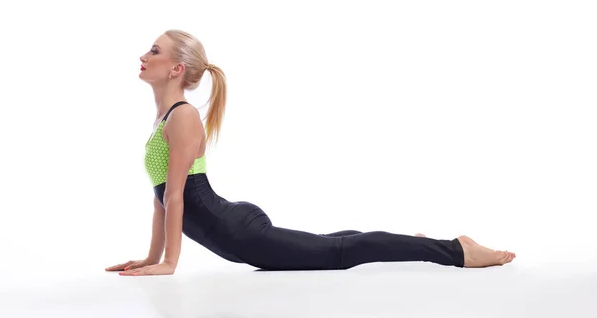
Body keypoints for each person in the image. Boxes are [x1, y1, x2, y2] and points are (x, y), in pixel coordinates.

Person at [105, 29, 516, 276]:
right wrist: (150, 257)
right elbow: (160, 200)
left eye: (154, 50)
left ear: (177, 69)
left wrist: (169, 264)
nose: (144, 56)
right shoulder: (165, 120)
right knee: (324, 244)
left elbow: (177, 196)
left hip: (239, 233)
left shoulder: (182, 117)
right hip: (233, 225)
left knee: (338, 254)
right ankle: (406, 242)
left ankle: (457, 251)